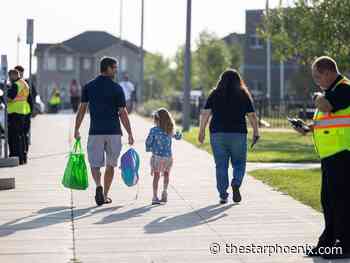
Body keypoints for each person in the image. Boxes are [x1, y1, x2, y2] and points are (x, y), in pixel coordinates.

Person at [293, 56, 350, 259]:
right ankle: (327, 242)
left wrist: (317, 97)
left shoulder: (344, 88)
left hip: (343, 154)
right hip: (330, 156)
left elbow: (327, 107)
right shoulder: (330, 92)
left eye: (318, 76)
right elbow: (329, 121)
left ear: (328, 72)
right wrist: (307, 128)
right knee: (329, 201)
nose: (317, 81)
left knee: (341, 201)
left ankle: (344, 244)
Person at [74, 56, 134, 206]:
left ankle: (98, 186)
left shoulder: (89, 86)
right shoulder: (117, 88)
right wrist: (129, 133)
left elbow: (81, 110)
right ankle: (105, 194)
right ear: (107, 68)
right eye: (114, 68)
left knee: (95, 164)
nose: (116, 70)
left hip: (95, 132)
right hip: (113, 132)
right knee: (110, 165)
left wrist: (76, 129)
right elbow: (123, 113)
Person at [198, 69, 259, 204]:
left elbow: (205, 113)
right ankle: (236, 182)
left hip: (217, 134)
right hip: (238, 134)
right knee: (239, 163)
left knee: (221, 165)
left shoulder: (215, 93)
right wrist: (256, 131)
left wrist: (201, 131)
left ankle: (223, 194)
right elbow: (252, 116)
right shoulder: (243, 94)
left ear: (221, 80)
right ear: (238, 80)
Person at [145, 108, 181, 205]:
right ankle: (164, 192)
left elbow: (148, 141)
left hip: (157, 157)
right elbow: (178, 137)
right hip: (168, 157)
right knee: (166, 174)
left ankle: (155, 196)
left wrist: (149, 148)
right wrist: (178, 132)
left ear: (157, 120)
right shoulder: (170, 129)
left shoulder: (154, 130)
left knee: (156, 176)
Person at [7, 69, 31, 164]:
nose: (9, 79)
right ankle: (22, 158)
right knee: (21, 136)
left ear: (13, 76)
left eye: (10, 77)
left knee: (14, 137)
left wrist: (4, 96)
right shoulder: (24, 83)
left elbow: (10, 98)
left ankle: (16, 156)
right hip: (23, 112)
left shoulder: (16, 84)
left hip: (15, 112)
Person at [14, 65, 34, 155]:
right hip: (16, 113)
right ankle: (20, 153)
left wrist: (32, 111)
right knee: (19, 134)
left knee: (24, 134)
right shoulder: (12, 84)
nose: (19, 74)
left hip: (25, 112)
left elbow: (31, 98)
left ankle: (24, 153)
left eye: (20, 73)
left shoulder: (27, 83)